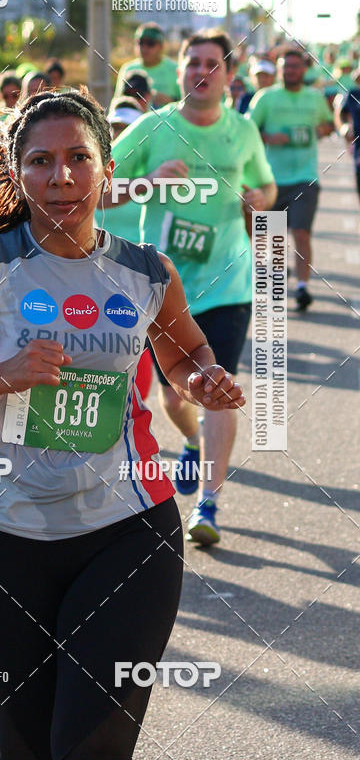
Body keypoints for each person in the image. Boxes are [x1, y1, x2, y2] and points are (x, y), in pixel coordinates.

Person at [0, 88, 244, 760]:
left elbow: (187, 355)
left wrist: (203, 379)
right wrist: (2, 376)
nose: (63, 177)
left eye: (80, 157)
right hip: (2, 541)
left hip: (129, 532)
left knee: (92, 755)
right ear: (18, 174)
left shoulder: (144, 270)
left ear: (106, 166)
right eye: (42, 161)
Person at [105, 30, 276, 546]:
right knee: (174, 396)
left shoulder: (243, 130)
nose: (202, 71)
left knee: (217, 387)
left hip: (228, 283)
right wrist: (149, 181)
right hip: (162, 290)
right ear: (179, 73)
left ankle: (208, 503)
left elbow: (267, 188)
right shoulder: (154, 128)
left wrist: (258, 202)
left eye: (212, 63)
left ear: (228, 75)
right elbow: (98, 191)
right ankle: (195, 441)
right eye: (193, 62)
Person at [249, 49, 334, 311]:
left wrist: (320, 130)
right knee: (271, 237)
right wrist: (269, 138)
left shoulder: (314, 98)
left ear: (303, 70)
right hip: (271, 180)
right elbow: (249, 130)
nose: (290, 71)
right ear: (279, 70)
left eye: (295, 67)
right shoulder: (266, 98)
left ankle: (302, 287)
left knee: (301, 232)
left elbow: (328, 124)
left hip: (305, 178)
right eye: (285, 67)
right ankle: (276, 285)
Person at [114, 22, 180, 107]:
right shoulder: (128, 69)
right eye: (140, 42)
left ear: (161, 46)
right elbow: (117, 102)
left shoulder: (175, 69)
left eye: (150, 43)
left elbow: (189, 104)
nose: (144, 48)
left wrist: (171, 101)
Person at [334, 67, 360, 203]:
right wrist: (344, 127)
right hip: (273, 178)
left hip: (304, 181)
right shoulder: (353, 94)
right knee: (269, 221)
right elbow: (340, 114)